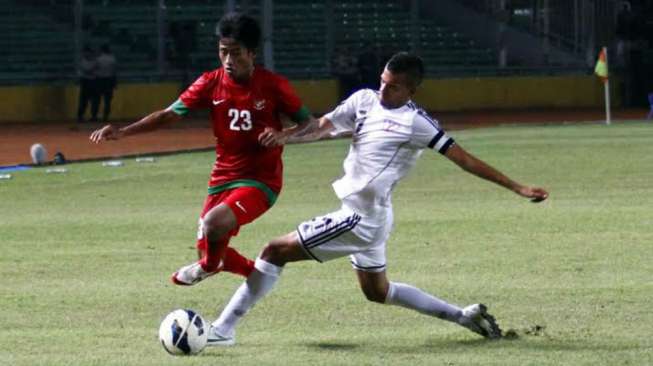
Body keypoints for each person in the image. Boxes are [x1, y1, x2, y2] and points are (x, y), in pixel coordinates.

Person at [205, 52, 549, 346]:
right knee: (377, 292)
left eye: (393, 85)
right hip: (370, 215)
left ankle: (223, 329)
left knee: (273, 251)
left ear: (411, 89)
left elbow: (465, 159)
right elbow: (323, 125)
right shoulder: (364, 100)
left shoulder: (416, 123)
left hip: (360, 219)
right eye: (382, 80)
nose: (383, 88)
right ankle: (464, 317)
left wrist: (517, 187)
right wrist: (284, 136)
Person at [89, 13, 315, 285]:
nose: (229, 60)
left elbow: (310, 125)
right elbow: (168, 115)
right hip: (222, 177)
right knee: (209, 244)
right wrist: (123, 132)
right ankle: (256, 276)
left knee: (213, 226)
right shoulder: (210, 82)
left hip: (261, 180)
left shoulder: (274, 86)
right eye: (223, 52)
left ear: (252, 53)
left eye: (236, 53)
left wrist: (283, 135)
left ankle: (207, 267)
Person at [77, 45, 99, 123]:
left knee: (94, 100)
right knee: (83, 100)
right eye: (85, 53)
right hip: (85, 81)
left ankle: (94, 116)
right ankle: (80, 116)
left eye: (88, 52)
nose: (87, 54)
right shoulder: (82, 61)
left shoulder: (95, 61)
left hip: (93, 81)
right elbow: (87, 69)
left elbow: (87, 69)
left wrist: (88, 71)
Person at [96, 43, 117, 123]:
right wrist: (114, 83)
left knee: (97, 99)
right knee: (107, 100)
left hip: (100, 80)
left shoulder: (98, 59)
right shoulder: (112, 59)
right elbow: (114, 72)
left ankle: (95, 116)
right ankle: (105, 116)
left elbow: (95, 70)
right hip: (109, 80)